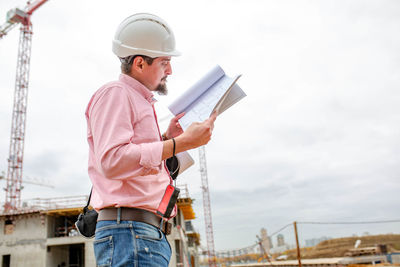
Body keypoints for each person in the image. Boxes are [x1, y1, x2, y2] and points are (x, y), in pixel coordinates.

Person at [85, 13, 216, 266]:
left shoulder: (136, 101)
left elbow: (134, 160)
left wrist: (168, 138)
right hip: (131, 234)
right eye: (165, 61)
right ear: (139, 63)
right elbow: (112, 161)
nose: (170, 70)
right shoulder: (116, 93)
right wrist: (182, 143)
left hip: (141, 235)